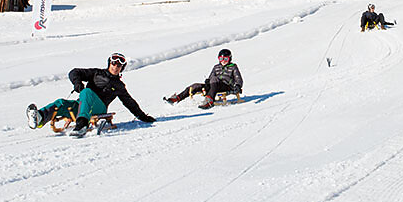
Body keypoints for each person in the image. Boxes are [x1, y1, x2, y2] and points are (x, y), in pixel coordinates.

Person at [26, 52, 156, 137]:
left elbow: (130, 103)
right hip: (83, 104)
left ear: (122, 68)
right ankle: (39, 118)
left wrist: (143, 117)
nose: (115, 66)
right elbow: (74, 72)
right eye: (113, 63)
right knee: (61, 102)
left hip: (99, 108)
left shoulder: (119, 86)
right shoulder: (96, 73)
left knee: (87, 92)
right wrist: (77, 84)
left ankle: (82, 124)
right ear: (109, 63)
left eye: (119, 65)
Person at [164, 48, 243, 110]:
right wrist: (208, 81)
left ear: (230, 59)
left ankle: (209, 101)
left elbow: (238, 79)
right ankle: (177, 98)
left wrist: (238, 86)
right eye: (221, 59)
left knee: (214, 79)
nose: (223, 61)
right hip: (214, 85)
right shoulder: (216, 67)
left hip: (226, 86)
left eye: (225, 59)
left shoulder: (233, 67)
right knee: (196, 85)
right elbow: (211, 77)